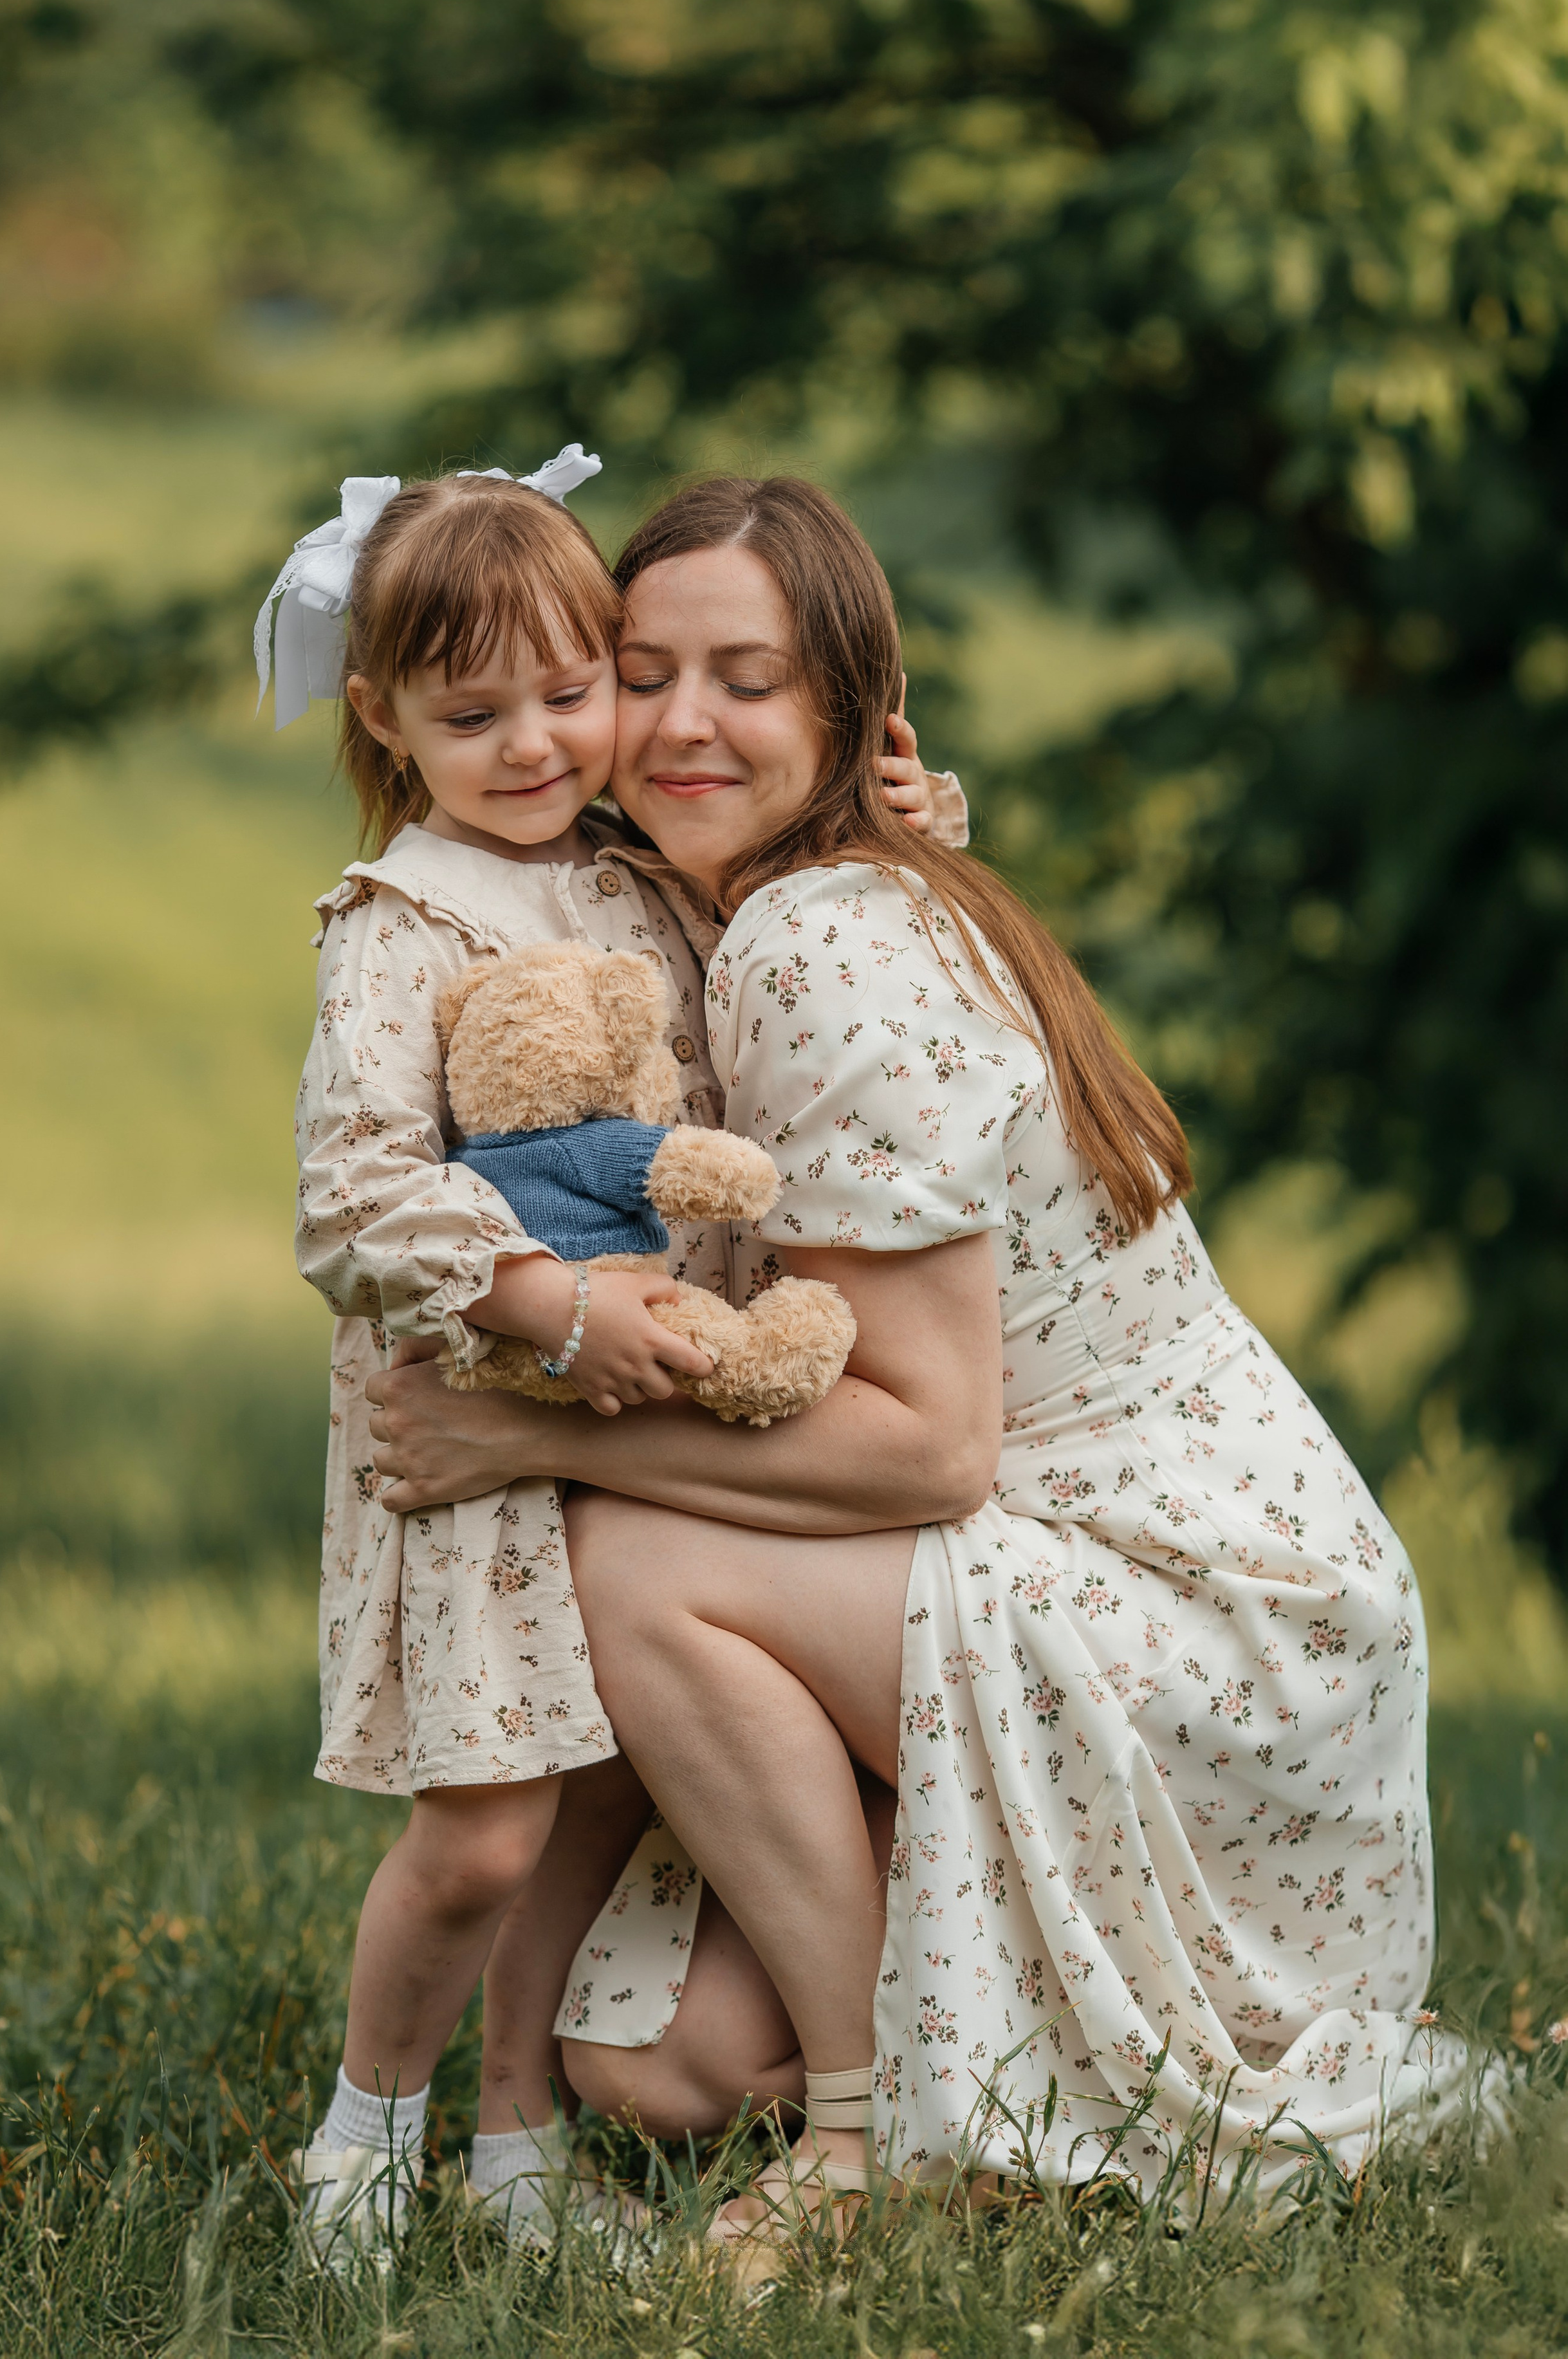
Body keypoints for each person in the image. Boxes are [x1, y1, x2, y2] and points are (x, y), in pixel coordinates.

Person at [365, 475, 1437, 2239]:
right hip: (1077, 1559)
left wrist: (533, 1439)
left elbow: (936, 1451)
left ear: (852, 714)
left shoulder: (823, 941)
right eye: (644, 671)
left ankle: (869, 2140)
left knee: (627, 1556)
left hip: (1188, 1603)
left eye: (750, 681)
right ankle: (959, 2051)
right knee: (661, 2067)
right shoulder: (742, 896)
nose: (683, 723)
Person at [265, 453, 957, 2262]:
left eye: (571, 694)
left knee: (600, 1789)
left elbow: (798, 924)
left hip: (644, 1416)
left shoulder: (626, 870)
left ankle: (519, 2145)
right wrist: (552, 1311)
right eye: (471, 715)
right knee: (489, 1832)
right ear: (382, 717)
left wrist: (912, 822)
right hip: (490, 1420)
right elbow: (352, 1199)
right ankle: (361, 2143)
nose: (533, 745)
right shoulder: (402, 920)